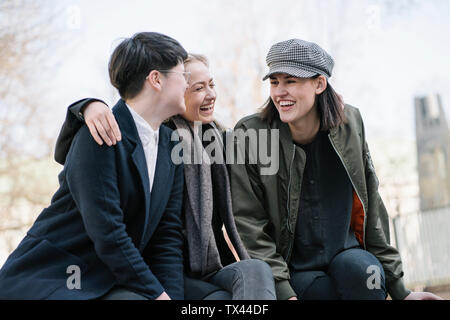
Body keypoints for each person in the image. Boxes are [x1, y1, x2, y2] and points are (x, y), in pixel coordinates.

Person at [229, 39, 443, 300]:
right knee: (323, 291)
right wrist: (283, 292)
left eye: (291, 81)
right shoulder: (251, 135)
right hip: (292, 270)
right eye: (274, 82)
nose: (279, 92)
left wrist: (401, 291)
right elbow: (248, 222)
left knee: (366, 274)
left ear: (319, 84)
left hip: (347, 255)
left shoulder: (350, 124)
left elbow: (371, 206)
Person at [53, 53, 276, 300]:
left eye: (211, 84)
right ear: (177, 91)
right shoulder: (157, 137)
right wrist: (85, 107)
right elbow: (73, 152)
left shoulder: (218, 140)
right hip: (158, 267)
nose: (210, 94)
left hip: (208, 265)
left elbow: (263, 144)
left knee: (255, 271)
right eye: (198, 88)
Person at [0, 32, 188, 300]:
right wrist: (157, 295)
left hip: (111, 279)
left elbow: (166, 238)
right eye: (183, 75)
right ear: (156, 79)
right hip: (55, 276)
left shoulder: (171, 145)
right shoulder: (98, 133)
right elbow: (109, 232)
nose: (187, 85)